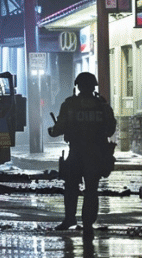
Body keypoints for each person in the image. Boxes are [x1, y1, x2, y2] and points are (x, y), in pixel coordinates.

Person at [47, 72, 117, 232]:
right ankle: (87, 223)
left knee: (71, 188)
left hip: (77, 152)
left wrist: (52, 131)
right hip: (96, 154)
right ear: (94, 86)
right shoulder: (102, 105)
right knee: (91, 189)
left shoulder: (70, 104)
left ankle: (70, 219)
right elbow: (110, 129)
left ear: (77, 86)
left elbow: (59, 128)